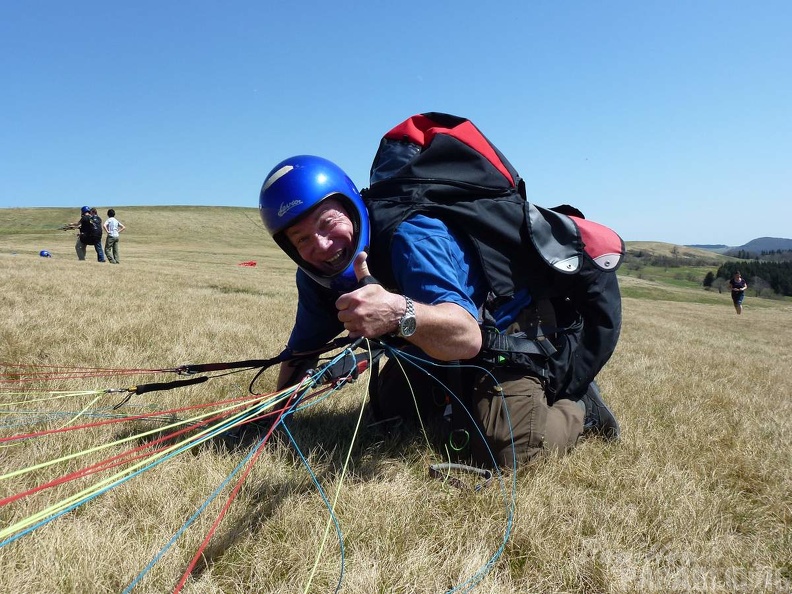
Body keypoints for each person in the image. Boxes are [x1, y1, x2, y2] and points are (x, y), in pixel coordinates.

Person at [259, 113, 623, 468]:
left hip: (507, 332)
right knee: (391, 419)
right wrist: (272, 419)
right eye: (302, 239)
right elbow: (302, 352)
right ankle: (455, 394)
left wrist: (398, 312)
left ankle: (581, 408)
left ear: (352, 207)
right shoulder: (314, 275)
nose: (322, 245)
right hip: (436, 340)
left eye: (328, 222)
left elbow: (465, 336)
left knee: (506, 451)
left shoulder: (413, 236)